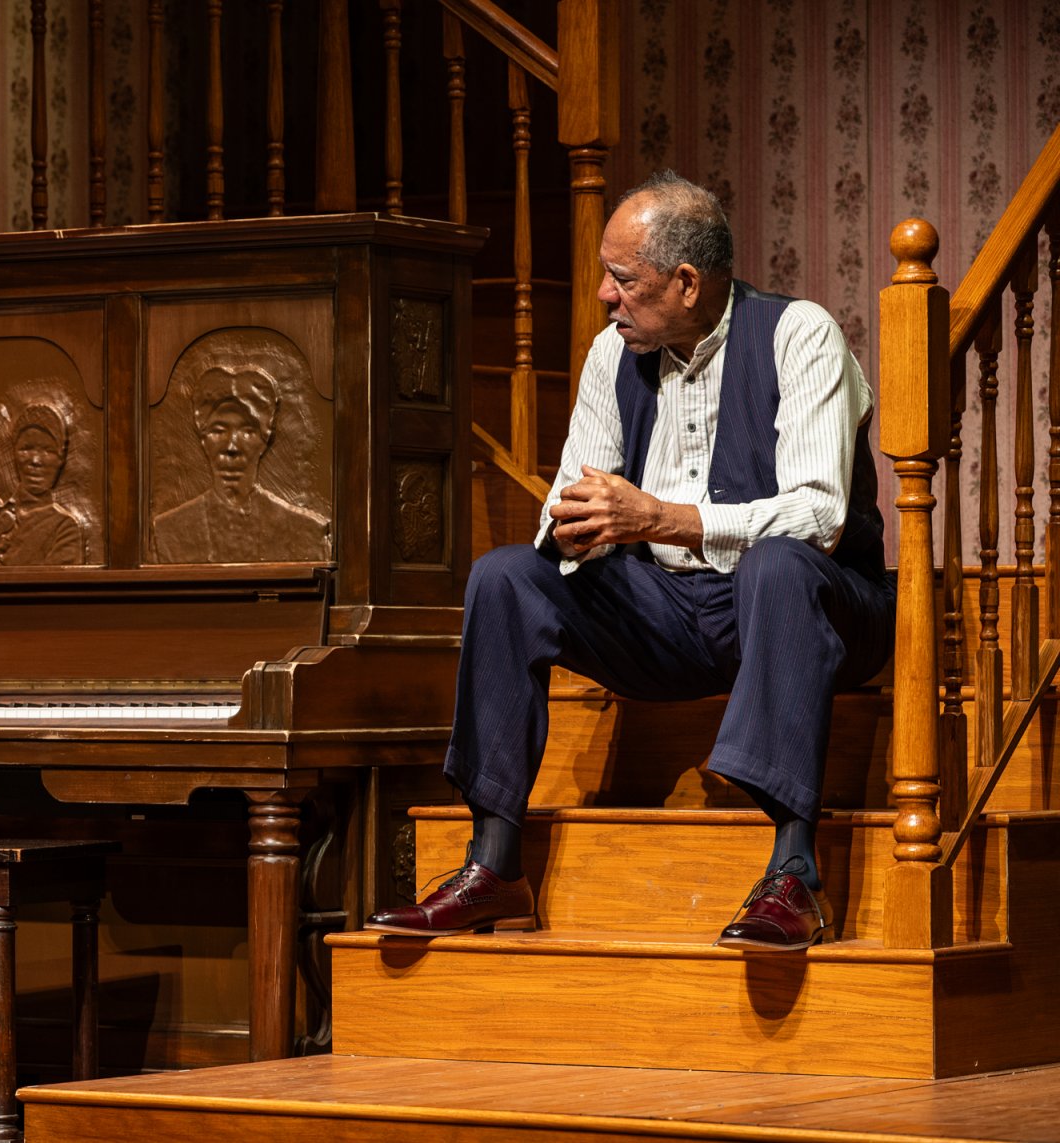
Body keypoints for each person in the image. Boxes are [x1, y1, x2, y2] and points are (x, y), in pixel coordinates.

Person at [365, 170, 895, 951]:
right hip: (670, 614)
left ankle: (794, 873)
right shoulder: (612, 356)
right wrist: (575, 527)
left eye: (623, 279)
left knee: (778, 566)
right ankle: (495, 864)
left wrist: (660, 518)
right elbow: (565, 500)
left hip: (816, 610)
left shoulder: (798, 336)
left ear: (687, 283)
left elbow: (819, 517)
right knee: (507, 575)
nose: (605, 296)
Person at [152, 362, 330, 564]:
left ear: (265, 439)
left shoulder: (305, 533)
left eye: (247, 431)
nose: (231, 446)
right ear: (203, 439)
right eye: (218, 431)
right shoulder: (168, 533)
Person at [0, 402, 85, 565]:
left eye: (47, 450)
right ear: (13, 453)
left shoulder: (64, 528)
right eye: (26, 449)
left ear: (61, 459)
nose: (35, 460)